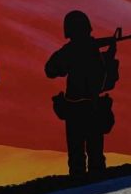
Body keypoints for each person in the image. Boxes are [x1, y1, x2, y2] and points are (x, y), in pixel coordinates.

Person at [45, 10, 113, 176]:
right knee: (90, 156)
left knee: (82, 157)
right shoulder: (78, 50)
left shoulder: (76, 50)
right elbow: (51, 70)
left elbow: (52, 70)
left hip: (80, 108)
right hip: (86, 107)